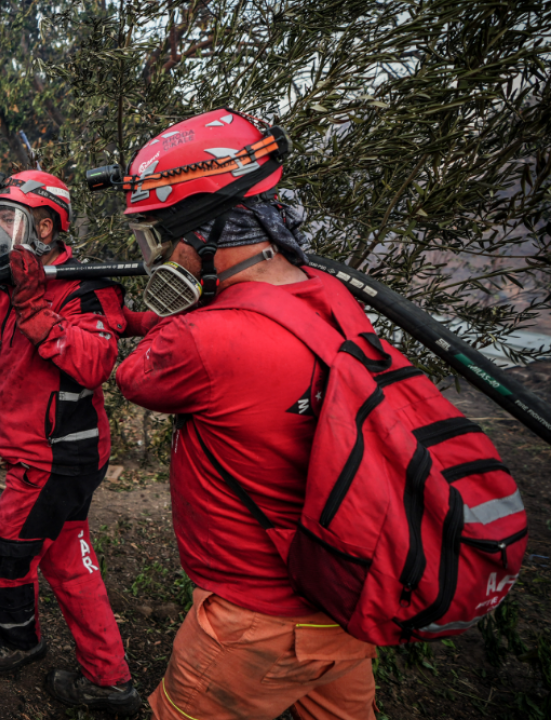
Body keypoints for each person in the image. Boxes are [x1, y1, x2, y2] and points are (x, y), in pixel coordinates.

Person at [112, 109, 377, 720]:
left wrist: (176, 301)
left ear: (201, 233)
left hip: (255, 621)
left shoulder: (202, 341)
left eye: (159, 235)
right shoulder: (330, 296)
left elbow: (134, 376)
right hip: (344, 610)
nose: (155, 254)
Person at [0, 169, 154, 714]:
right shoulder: (7, 284)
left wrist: (32, 304)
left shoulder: (85, 286)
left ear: (46, 228)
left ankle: (19, 644)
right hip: (46, 453)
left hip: (56, 456)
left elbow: (94, 362)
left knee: (1, 560)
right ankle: (109, 678)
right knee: (68, 560)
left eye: (11, 221)